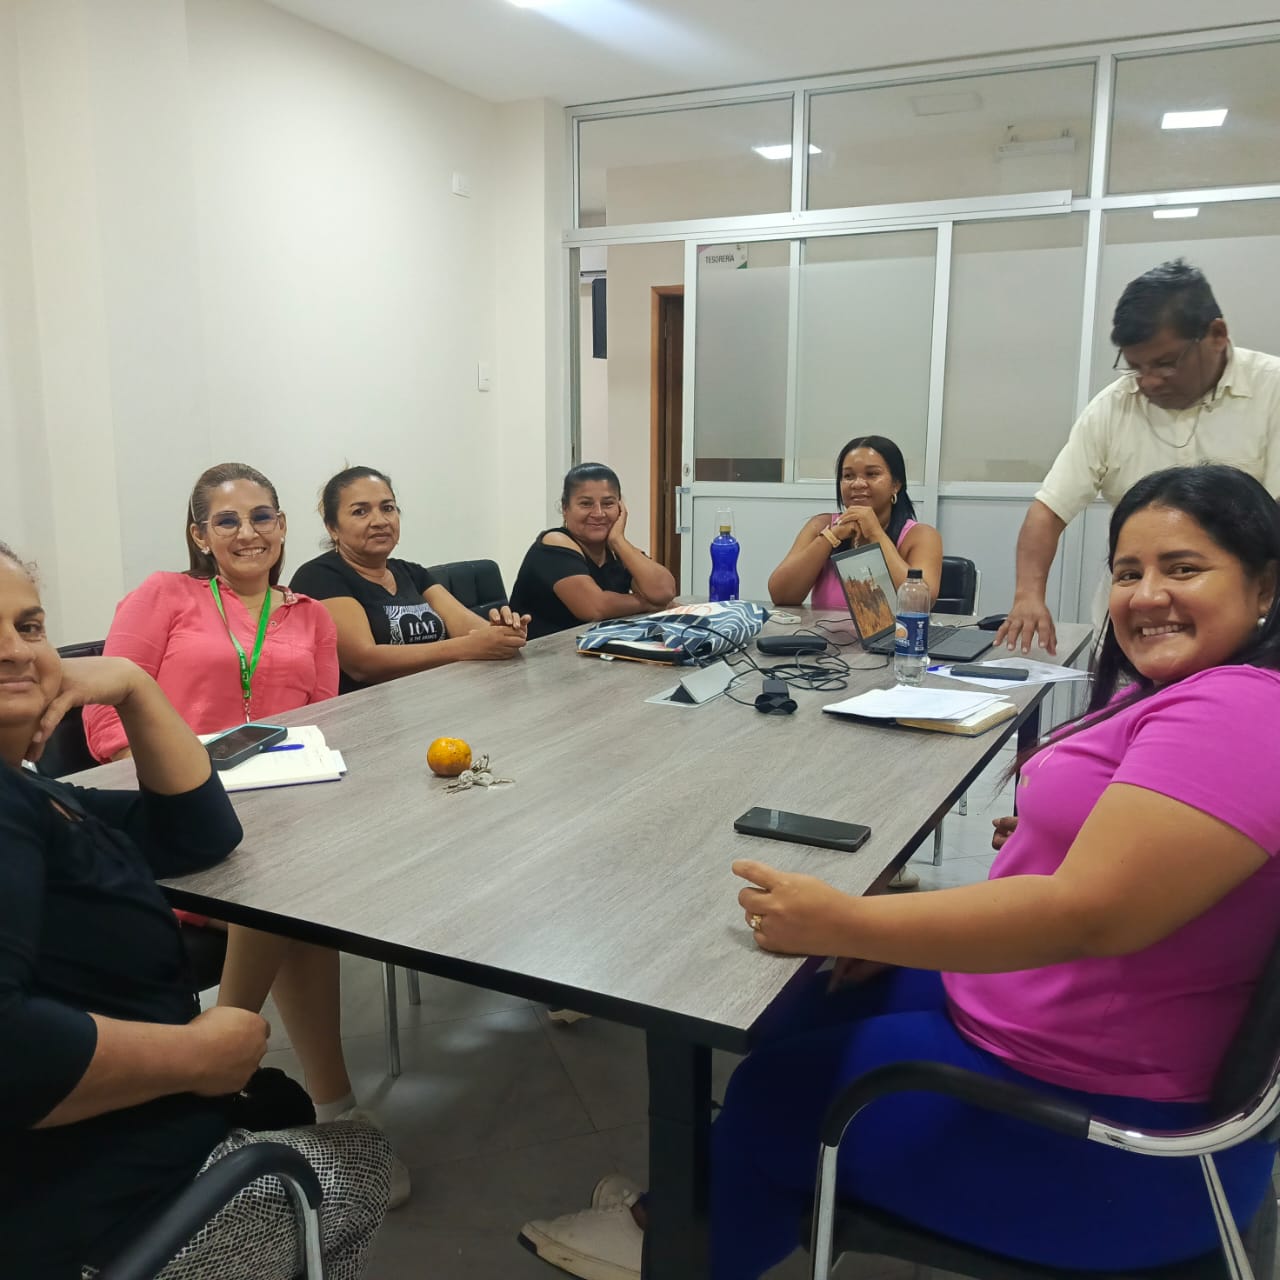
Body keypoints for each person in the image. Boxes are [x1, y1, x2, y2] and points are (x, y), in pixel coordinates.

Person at [521, 463, 1280, 1280]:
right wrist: (893, 935)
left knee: (768, 1092)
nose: (1147, 595)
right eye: (1128, 572)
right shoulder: (1199, 692)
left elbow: (1090, 912)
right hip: (1059, 1015)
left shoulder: (1239, 709)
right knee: (797, 1005)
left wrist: (848, 920)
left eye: (1183, 568)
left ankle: (683, 1249)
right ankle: (705, 1200)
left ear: (1265, 586)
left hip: (1119, 1142)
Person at [0, 541, 392, 1280]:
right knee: (362, 1159)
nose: (15, 652)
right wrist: (200, 1055)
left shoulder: (33, 793)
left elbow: (198, 835)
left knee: (283, 1103)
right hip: (100, 1216)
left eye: (29, 627)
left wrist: (134, 685)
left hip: (128, 1136)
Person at [82, 462, 409, 1207]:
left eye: (262, 517)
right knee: (286, 894)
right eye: (226, 521)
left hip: (282, 817)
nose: (248, 533)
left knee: (296, 882)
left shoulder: (310, 615)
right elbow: (104, 730)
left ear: (284, 527)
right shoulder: (164, 597)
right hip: (174, 824)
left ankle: (243, 1088)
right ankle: (275, 1091)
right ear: (199, 535)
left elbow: (326, 725)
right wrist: (194, 770)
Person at [999, 259, 1280, 655]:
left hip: (1247, 635)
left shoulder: (1271, 392)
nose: (1148, 381)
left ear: (1217, 334)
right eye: (1135, 367)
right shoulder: (1114, 406)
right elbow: (1048, 510)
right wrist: (1028, 595)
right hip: (1136, 634)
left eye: (1165, 363)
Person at [290, 466, 529, 694]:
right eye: (360, 512)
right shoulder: (319, 576)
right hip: (366, 715)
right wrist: (467, 647)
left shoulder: (412, 572)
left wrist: (504, 633)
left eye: (388, 508)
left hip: (433, 699)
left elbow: (468, 627)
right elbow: (363, 663)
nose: (380, 521)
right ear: (332, 528)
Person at [768, 434, 942, 607]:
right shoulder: (821, 526)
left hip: (896, 627)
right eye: (848, 476)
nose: (857, 484)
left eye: (872, 474)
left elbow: (919, 602)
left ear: (896, 484)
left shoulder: (921, 536)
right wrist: (831, 536)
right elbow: (781, 596)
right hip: (821, 626)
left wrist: (876, 534)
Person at [510, 463, 676, 641]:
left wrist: (618, 540)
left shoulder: (615, 548)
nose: (598, 513)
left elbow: (664, 591)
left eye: (608, 503)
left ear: (621, 508)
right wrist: (650, 604)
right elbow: (595, 608)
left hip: (592, 649)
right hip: (541, 654)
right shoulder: (554, 542)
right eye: (586, 504)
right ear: (565, 509)